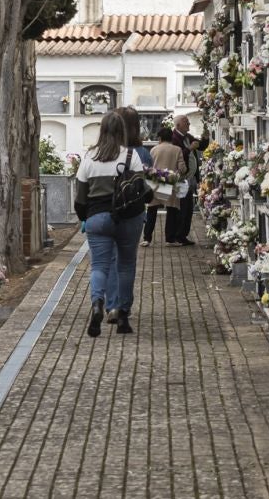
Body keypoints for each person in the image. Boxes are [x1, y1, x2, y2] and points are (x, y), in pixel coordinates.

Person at [74, 109, 147, 336]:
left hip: (97, 218)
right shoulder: (130, 156)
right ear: (122, 131)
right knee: (126, 266)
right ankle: (123, 315)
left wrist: (85, 218)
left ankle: (97, 303)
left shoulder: (89, 158)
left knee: (99, 266)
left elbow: (80, 198)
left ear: (102, 130)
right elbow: (142, 190)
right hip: (127, 218)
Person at [144, 126, 187, 248]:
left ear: (160, 138)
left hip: (155, 181)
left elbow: (149, 166)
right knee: (171, 210)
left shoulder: (153, 149)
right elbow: (182, 168)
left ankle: (147, 238)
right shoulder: (177, 149)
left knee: (151, 210)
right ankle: (170, 239)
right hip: (171, 181)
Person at [168, 115, 200, 245]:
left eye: (188, 122)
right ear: (178, 125)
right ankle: (178, 235)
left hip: (189, 178)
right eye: (186, 122)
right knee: (182, 208)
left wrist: (206, 137)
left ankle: (182, 235)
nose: (189, 124)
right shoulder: (174, 138)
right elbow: (178, 155)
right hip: (181, 179)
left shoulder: (187, 137)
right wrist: (190, 148)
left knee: (188, 208)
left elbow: (200, 145)